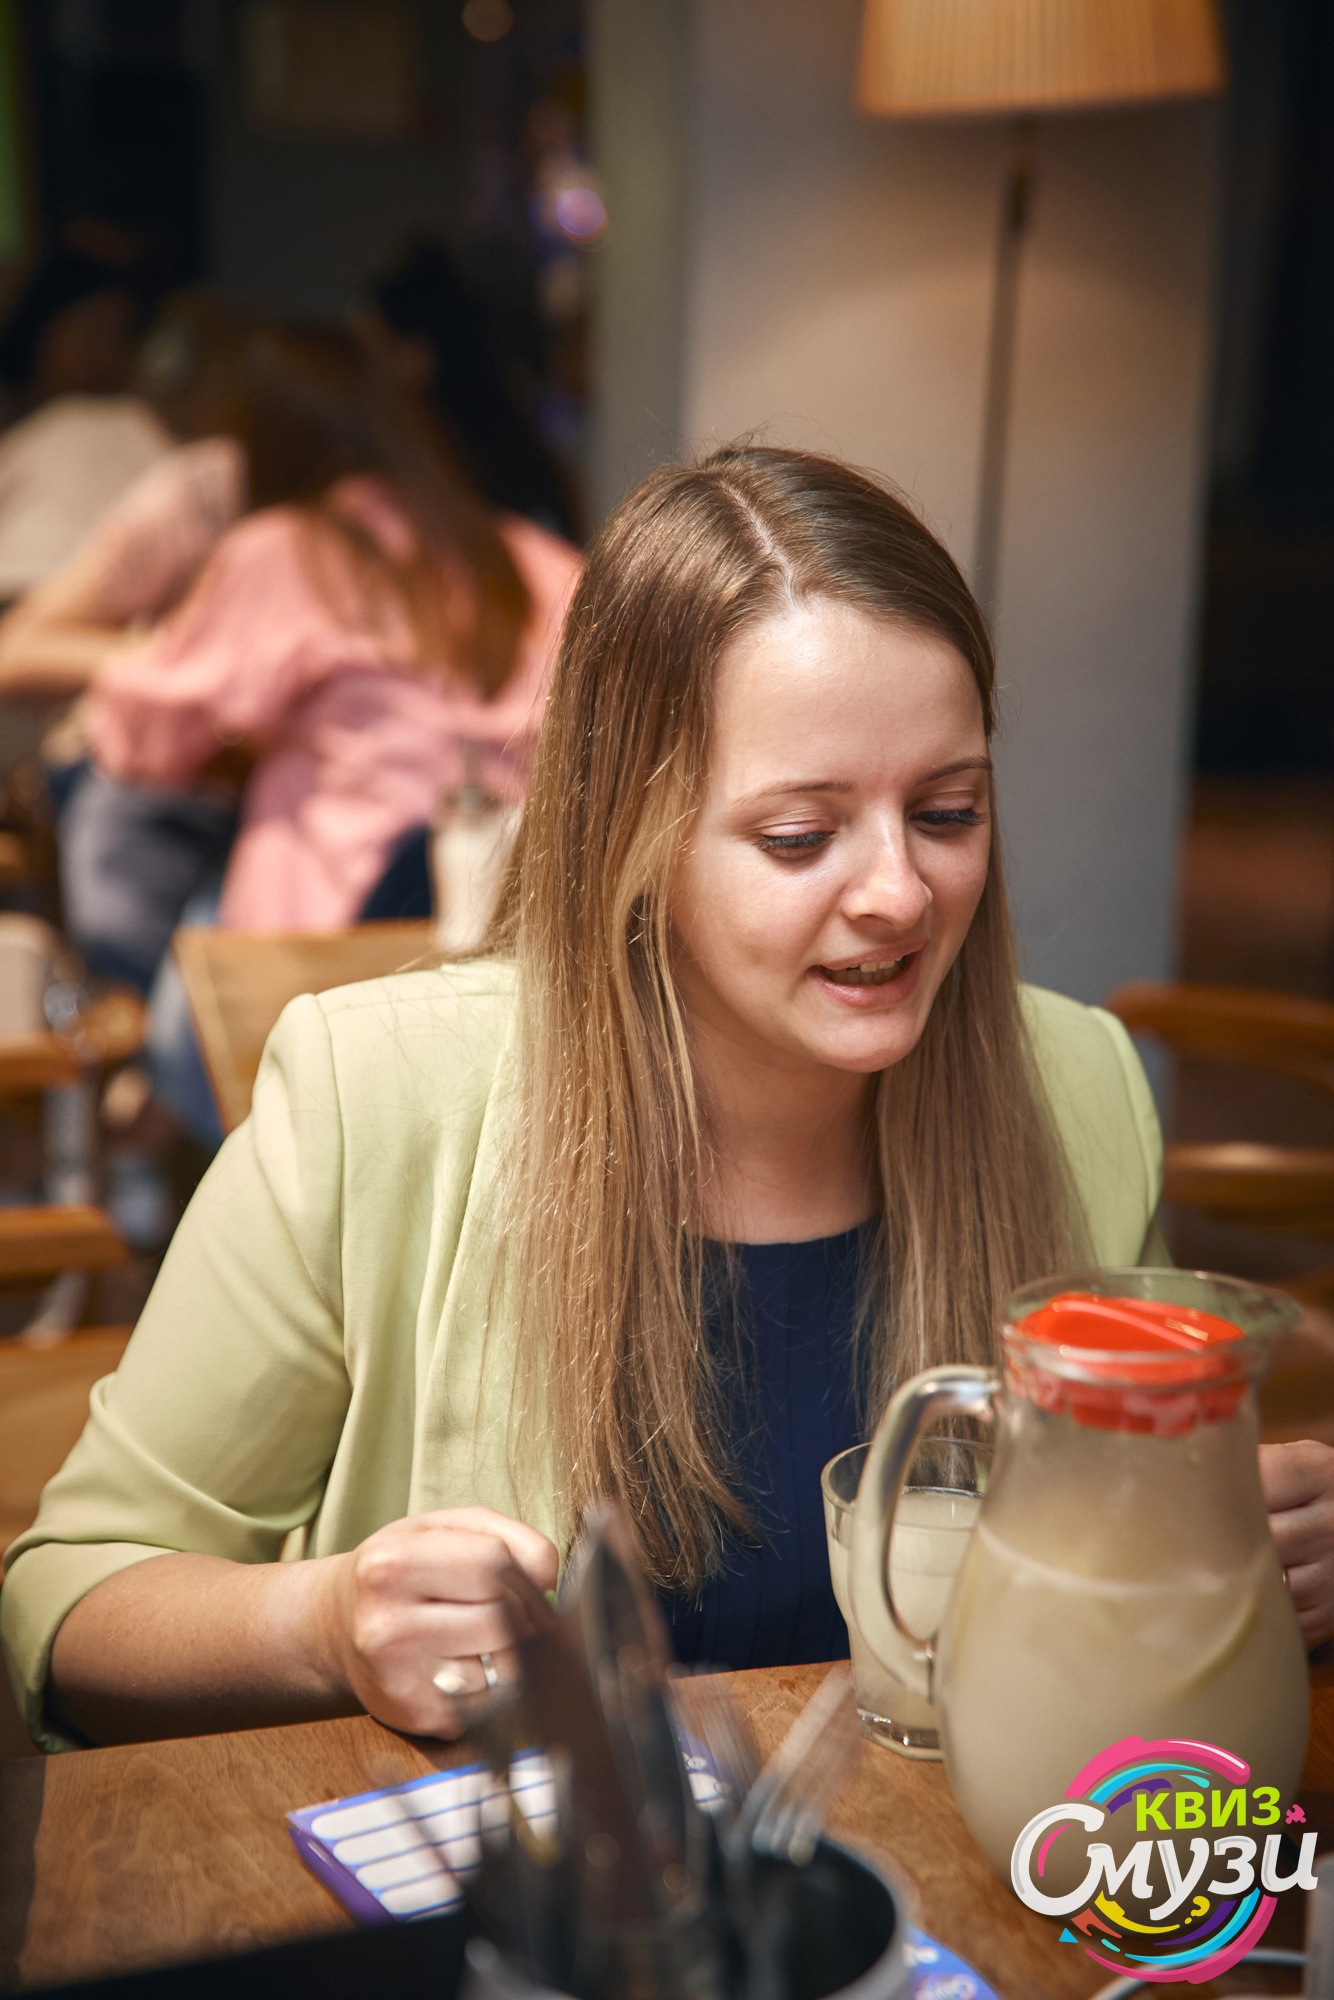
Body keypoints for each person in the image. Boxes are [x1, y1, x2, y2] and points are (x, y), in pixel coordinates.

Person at [4, 445, 1332, 1754]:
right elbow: (64, 1603)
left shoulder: (1077, 1087)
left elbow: (1139, 1568)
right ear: (631, 833)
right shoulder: (374, 1098)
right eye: (799, 836)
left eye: (946, 811)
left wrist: (1223, 1558)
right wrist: (322, 1622)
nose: (899, 893)